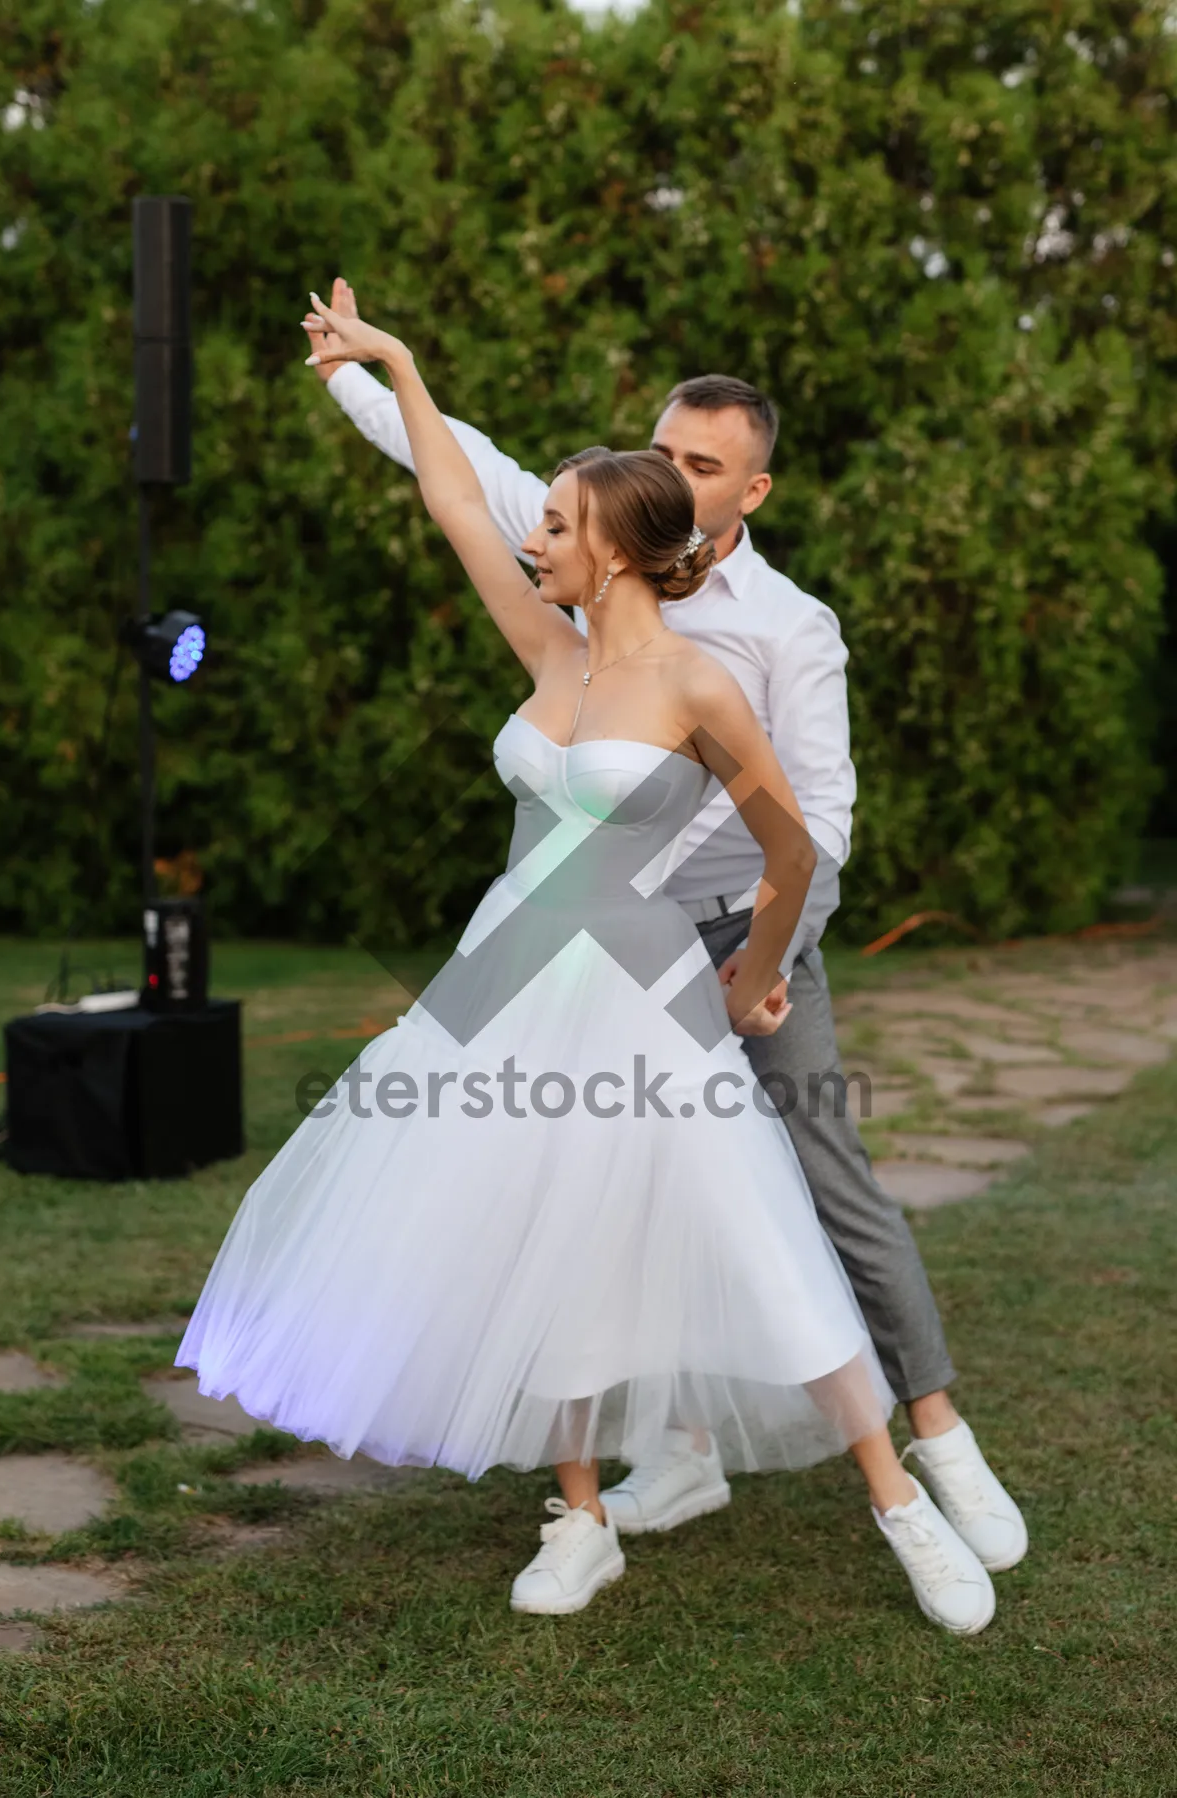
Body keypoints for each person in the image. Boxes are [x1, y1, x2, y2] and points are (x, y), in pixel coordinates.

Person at [177, 295, 1000, 1635]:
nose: (535, 536)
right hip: (504, 981)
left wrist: (758, 977)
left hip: (648, 988)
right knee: (534, 1243)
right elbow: (452, 494)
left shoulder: (698, 686)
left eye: (558, 523)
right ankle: (581, 1514)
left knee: (762, 1238)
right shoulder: (545, 644)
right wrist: (398, 359)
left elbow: (792, 850)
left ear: (613, 550)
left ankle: (902, 1503)